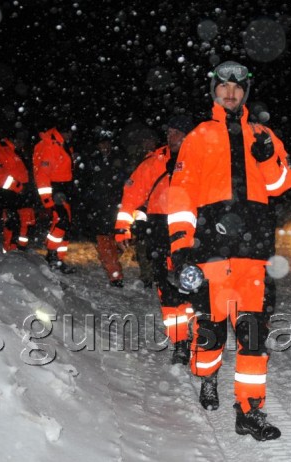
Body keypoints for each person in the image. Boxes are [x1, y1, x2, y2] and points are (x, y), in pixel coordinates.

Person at [166, 60, 291, 441]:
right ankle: (207, 378)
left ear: (245, 93)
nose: (231, 93)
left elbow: (283, 182)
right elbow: (181, 195)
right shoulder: (199, 136)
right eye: (224, 87)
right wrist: (181, 246)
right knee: (210, 330)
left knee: (253, 334)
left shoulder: (263, 134)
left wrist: (268, 153)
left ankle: (249, 409)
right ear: (214, 91)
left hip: (254, 254)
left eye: (237, 88)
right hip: (211, 251)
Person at [114, 114, 195, 363]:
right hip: (160, 230)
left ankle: (202, 337)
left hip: (194, 233)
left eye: (177, 132)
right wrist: (122, 227)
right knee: (167, 290)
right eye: (169, 132)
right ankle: (180, 341)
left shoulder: (202, 159)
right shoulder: (155, 161)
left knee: (195, 288)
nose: (171, 137)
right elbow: (132, 194)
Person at [74, 131, 126, 286]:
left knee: (116, 242)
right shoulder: (90, 161)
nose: (104, 146)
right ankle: (115, 275)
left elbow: (126, 180)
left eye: (106, 143)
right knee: (104, 242)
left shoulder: (119, 159)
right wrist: (88, 201)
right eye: (101, 143)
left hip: (116, 208)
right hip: (98, 208)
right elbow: (83, 183)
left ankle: (111, 263)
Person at [33, 124, 76, 273]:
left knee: (66, 225)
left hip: (64, 189)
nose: (70, 134)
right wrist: (47, 199)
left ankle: (58, 258)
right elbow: (42, 174)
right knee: (61, 222)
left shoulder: (62, 144)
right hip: (56, 190)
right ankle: (52, 254)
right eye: (68, 131)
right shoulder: (52, 145)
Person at [0, 137, 35, 252]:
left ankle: (21, 248)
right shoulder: (2, 150)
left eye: (23, 140)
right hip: (9, 195)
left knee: (25, 221)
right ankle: (9, 251)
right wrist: (17, 186)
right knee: (11, 223)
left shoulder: (18, 151)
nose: (21, 143)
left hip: (22, 195)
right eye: (19, 139)